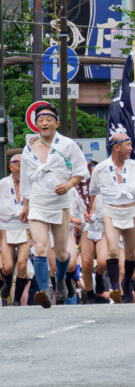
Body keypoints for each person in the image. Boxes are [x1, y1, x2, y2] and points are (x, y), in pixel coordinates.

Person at [19, 103, 89, 307]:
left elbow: (81, 171)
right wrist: (25, 205)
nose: (44, 123)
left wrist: (68, 185)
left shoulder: (67, 145)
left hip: (60, 203)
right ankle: (44, 290)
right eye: (40, 120)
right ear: (36, 124)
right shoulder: (29, 147)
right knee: (39, 247)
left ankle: (59, 280)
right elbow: (25, 180)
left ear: (56, 123)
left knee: (61, 252)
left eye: (48, 120)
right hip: (38, 202)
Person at [88, 133, 135, 304]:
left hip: (131, 211)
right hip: (110, 211)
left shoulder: (134, 166)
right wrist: (90, 210)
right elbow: (93, 191)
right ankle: (115, 288)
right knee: (112, 250)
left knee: (132, 254)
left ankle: (126, 283)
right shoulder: (101, 168)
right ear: (117, 147)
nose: (131, 149)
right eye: (128, 145)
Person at [0, 155, 31, 306]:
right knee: (7, 267)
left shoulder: (30, 185)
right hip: (6, 225)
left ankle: (17, 300)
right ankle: (5, 282)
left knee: (22, 265)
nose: (22, 169)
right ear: (11, 167)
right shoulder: (2, 184)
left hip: (25, 226)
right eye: (19, 165)